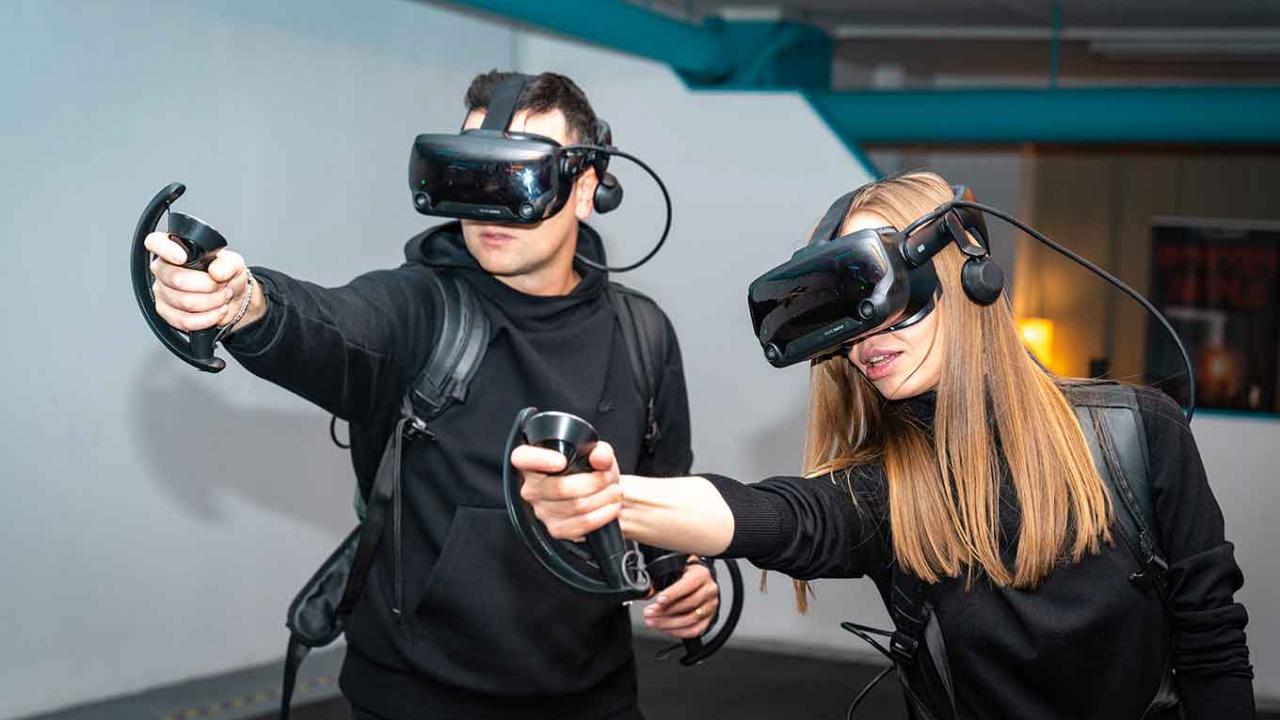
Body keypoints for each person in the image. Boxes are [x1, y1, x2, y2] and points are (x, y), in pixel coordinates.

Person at [512, 172, 1255, 719]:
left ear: (961, 277)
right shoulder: (891, 490)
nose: (867, 337)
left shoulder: (1137, 434)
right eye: (848, 317)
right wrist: (613, 498)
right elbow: (777, 516)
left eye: (883, 295)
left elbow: (1212, 643)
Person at [145, 70, 719, 720]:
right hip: (414, 699)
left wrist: (684, 574)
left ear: (585, 188)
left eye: (520, 175)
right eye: (473, 174)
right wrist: (244, 302)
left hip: (596, 697)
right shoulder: (421, 307)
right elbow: (336, 325)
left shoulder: (642, 332)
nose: (489, 204)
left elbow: (662, 491)